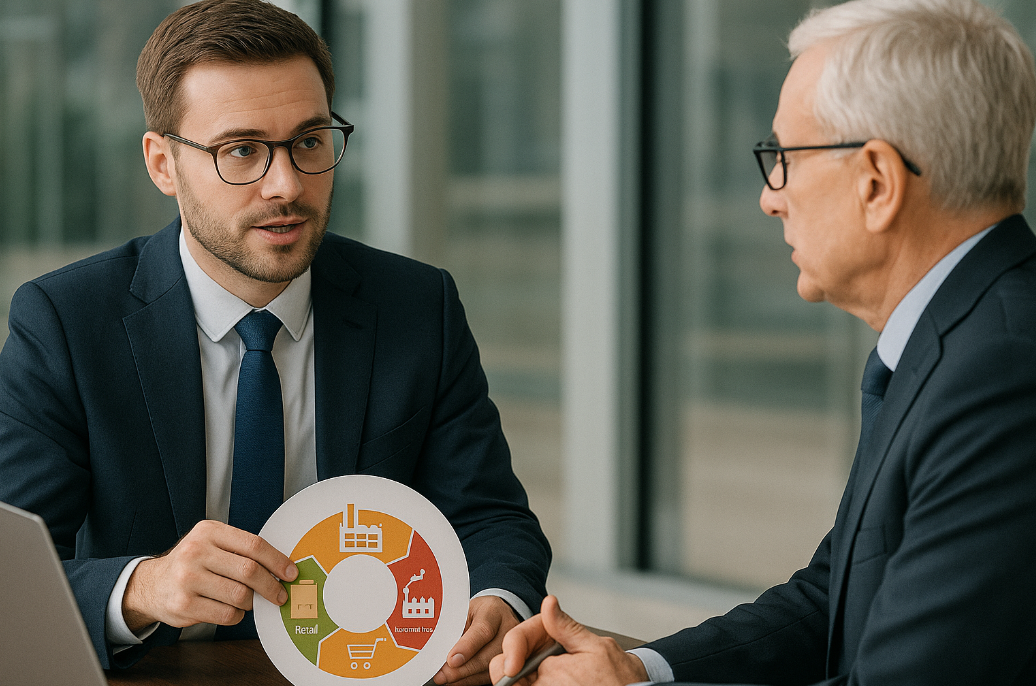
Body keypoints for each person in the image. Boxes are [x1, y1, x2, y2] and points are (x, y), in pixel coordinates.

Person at [0, 1, 550, 683]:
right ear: (163, 163)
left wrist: (495, 601)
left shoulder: (416, 306)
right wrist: (144, 588)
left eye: (309, 142)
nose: (287, 185)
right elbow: (12, 577)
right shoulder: (66, 322)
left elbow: (491, 518)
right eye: (242, 151)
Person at [491, 0, 1036, 684]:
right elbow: (829, 597)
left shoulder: (1002, 371)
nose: (769, 197)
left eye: (784, 158)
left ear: (877, 183)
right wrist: (642, 668)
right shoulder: (957, 335)